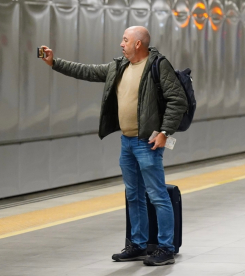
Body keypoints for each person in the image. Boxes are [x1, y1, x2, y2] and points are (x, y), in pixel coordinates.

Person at [41, 26, 188, 266]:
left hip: (147, 142)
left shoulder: (157, 65)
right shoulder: (119, 66)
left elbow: (177, 99)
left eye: (125, 40)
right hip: (127, 142)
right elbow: (87, 71)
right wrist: (54, 62)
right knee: (133, 195)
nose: (121, 44)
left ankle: (166, 248)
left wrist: (164, 133)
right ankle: (137, 245)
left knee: (158, 195)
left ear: (138, 44)